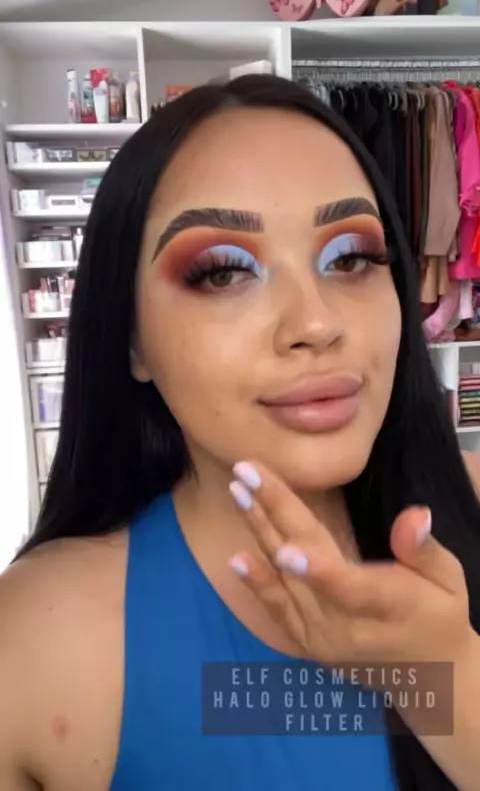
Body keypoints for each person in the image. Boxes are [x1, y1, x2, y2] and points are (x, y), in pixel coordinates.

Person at [1, 74, 480, 791]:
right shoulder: (36, 638)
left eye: (352, 258)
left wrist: (446, 679)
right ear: (131, 339)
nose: (316, 322)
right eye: (223, 272)